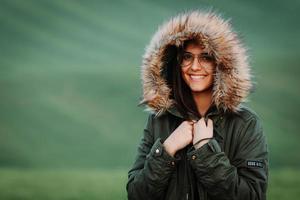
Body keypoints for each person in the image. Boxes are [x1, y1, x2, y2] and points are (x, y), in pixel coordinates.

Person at [127, 10, 269, 200]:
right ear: (176, 62)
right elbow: (136, 194)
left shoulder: (245, 123)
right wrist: (167, 150)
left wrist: (205, 150)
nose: (194, 66)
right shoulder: (158, 121)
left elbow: (253, 196)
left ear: (222, 64)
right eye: (187, 57)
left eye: (206, 57)